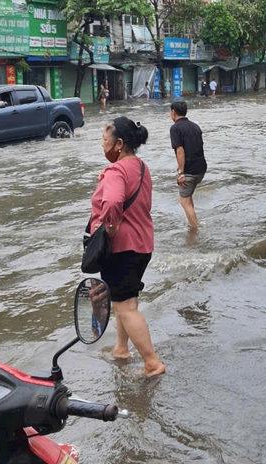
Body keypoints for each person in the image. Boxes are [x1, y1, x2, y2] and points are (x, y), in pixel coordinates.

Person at [90, 116, 165, 377]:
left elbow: (111, 203)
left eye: (104, 140)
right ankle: (121, 348)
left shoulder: (116, 171)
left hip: (121, 249)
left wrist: (110, 227)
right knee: (125, 299)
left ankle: (152, 363)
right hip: (143, 244)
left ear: (119, 144)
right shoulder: (140, 167)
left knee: (125, 307)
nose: (103, 145)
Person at [169, 100, 207, 230]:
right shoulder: (195, 126)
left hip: (189, 170)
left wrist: (181, 173)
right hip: (201, 168)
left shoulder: (175, 128)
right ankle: (193, 222)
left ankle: (195, 229)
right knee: (188, 198)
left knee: (184, 201)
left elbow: (180, 151)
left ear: (173, 112)